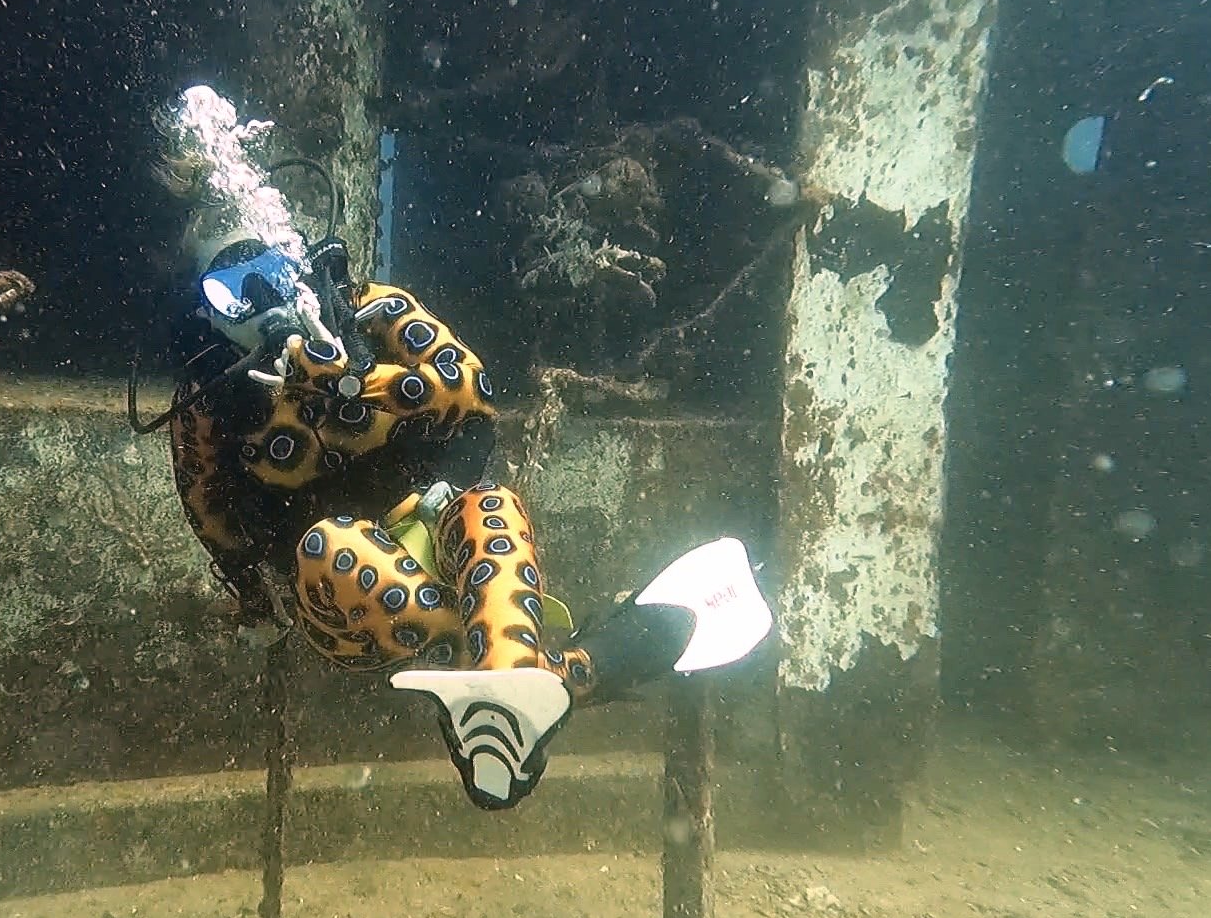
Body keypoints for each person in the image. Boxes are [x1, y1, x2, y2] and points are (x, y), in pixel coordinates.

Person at [139, 86, 771, 809]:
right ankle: (564, 672)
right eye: (234, 293)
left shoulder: (368, 311)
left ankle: (513, 689)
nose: (266, 303)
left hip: (433, 514)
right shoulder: (208, 404)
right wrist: (256, 603)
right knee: (331, 546)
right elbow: (215, 520)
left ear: (296, 263)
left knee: (490, 506)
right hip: (337, 593)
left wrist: (354, 382)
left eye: (271, 274)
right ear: (205, 311)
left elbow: (467, 388)